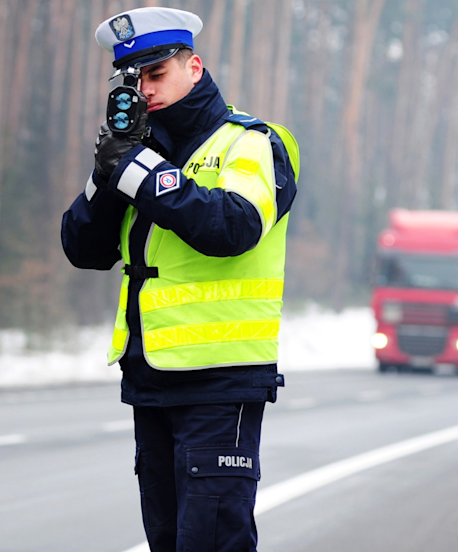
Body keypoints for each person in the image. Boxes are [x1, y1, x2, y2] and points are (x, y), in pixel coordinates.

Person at [60, 7, 300, 551]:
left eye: (156, 74)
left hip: (221, 380)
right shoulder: (143, 156)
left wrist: (140, 171)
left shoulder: (251, 143)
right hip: (152, 379)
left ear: (194, 66)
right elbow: (82, 248)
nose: (144, 90)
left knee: (212, 541)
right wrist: (107, 175)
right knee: (166, 541)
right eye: (134, 80)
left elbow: (232, 227)